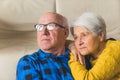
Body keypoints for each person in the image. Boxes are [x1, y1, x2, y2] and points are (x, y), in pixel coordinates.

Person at [16, 12, 74, 80]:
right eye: (40, 27)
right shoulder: (28, 62)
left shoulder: (79, 57)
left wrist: (72, 45)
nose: (44, 32)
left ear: (65, 33)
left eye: (51, 26)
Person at [69, 12, 120, 80]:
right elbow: (63, 42)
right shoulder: (91, 54)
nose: (79, 43)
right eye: (76, 37)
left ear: (100, 35)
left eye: (84, 35)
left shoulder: (115, 49)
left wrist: (74, 57)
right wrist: (71, 46)